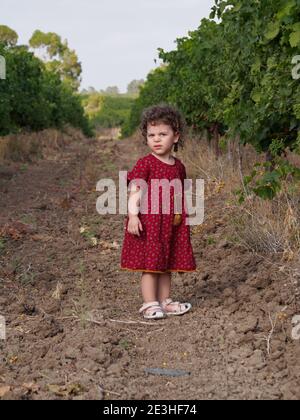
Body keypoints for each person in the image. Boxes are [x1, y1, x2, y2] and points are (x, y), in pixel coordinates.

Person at [120, 104, 197, 319]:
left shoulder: (178, 166)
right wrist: (133, 215)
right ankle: (149, 303)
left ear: (175, 137)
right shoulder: (146, 164)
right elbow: (135, 190)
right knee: (151, 264)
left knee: (166, 263)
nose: (156, 139)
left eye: (163, 134)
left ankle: (165, 301)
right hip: (151, 222)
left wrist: (182, 216)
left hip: (171, 222)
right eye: (151, 134)